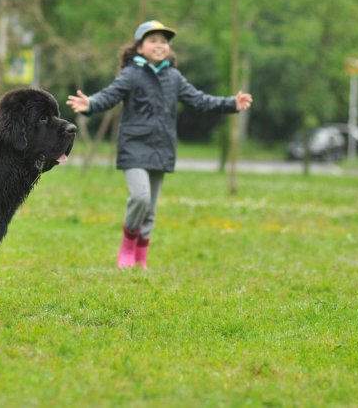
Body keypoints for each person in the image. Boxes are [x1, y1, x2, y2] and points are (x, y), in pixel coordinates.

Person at [67, 20, 253, 269]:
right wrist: (90, 104)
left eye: (164, 41)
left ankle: (140, 258)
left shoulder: (174, 77)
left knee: (150, 209)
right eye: (153, 40)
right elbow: (110, 95)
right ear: (139, 47)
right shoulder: (131, 74)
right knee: (140, 197)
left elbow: (200, 100)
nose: (159, 45)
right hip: (134, 145)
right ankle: (127, 247)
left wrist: (231, 103)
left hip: (162, 147)